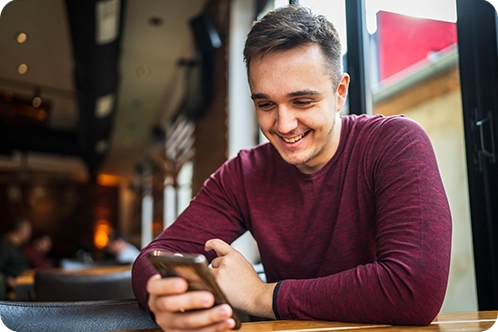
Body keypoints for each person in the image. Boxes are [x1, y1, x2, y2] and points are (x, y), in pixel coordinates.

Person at [131, 4, 452, 331]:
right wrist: (164, 297)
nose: (283, 125)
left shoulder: (396, 144)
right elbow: (154, 257)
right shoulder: (243, 175)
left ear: (339, 91)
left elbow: (416, 289)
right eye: (266, 104)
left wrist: (261, 297)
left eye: (302, 102)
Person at [0, 218, 32, 299]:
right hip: (14, 289)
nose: (30, 234)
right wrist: (8, 280)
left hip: (23, 284)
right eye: (28, 230)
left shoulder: (16, 246)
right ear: (21, 231)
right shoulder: (5, 246)